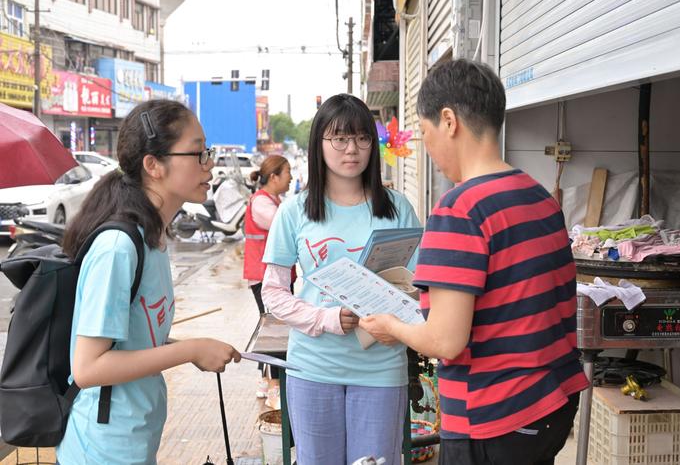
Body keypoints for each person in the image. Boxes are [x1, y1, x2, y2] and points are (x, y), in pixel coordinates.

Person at [360, 59, 589, 465]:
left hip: (494, 417)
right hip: (551, 405)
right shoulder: (538, 195)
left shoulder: (460, 208)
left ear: (448, 121)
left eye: (425, 133)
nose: (427, 150)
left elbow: (446, 342)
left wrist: (391, 326)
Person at [57, 99, 241, 464]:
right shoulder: (118, 249)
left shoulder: (153, 238)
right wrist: (190, 350)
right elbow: (88, 368)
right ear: (153, 165)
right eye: (198, 153)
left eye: (209, 151)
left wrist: (195, 349)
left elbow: (135, 338)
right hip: (100, 451)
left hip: (134, 442)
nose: (210, 163)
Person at [261, 94, 421, 465]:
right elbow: (273, 292)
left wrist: (399, 317)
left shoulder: (398, 208)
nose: (352, 149)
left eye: (362, 138)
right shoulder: (294, 211)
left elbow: (420, 286)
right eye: (339, 139)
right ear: (319, 143)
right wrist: (326, 319)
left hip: (381, 366)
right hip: (313, 366)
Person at [243, 154, 293, 407]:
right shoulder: (263, 204)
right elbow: (285, 226)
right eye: (287, 173)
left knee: (270, 326)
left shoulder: (272, 200)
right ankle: (273, 384)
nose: (291, 178)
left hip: (267, 273)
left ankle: (265, 379)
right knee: (274, 330)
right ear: (273, 177)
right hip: (265, 275)